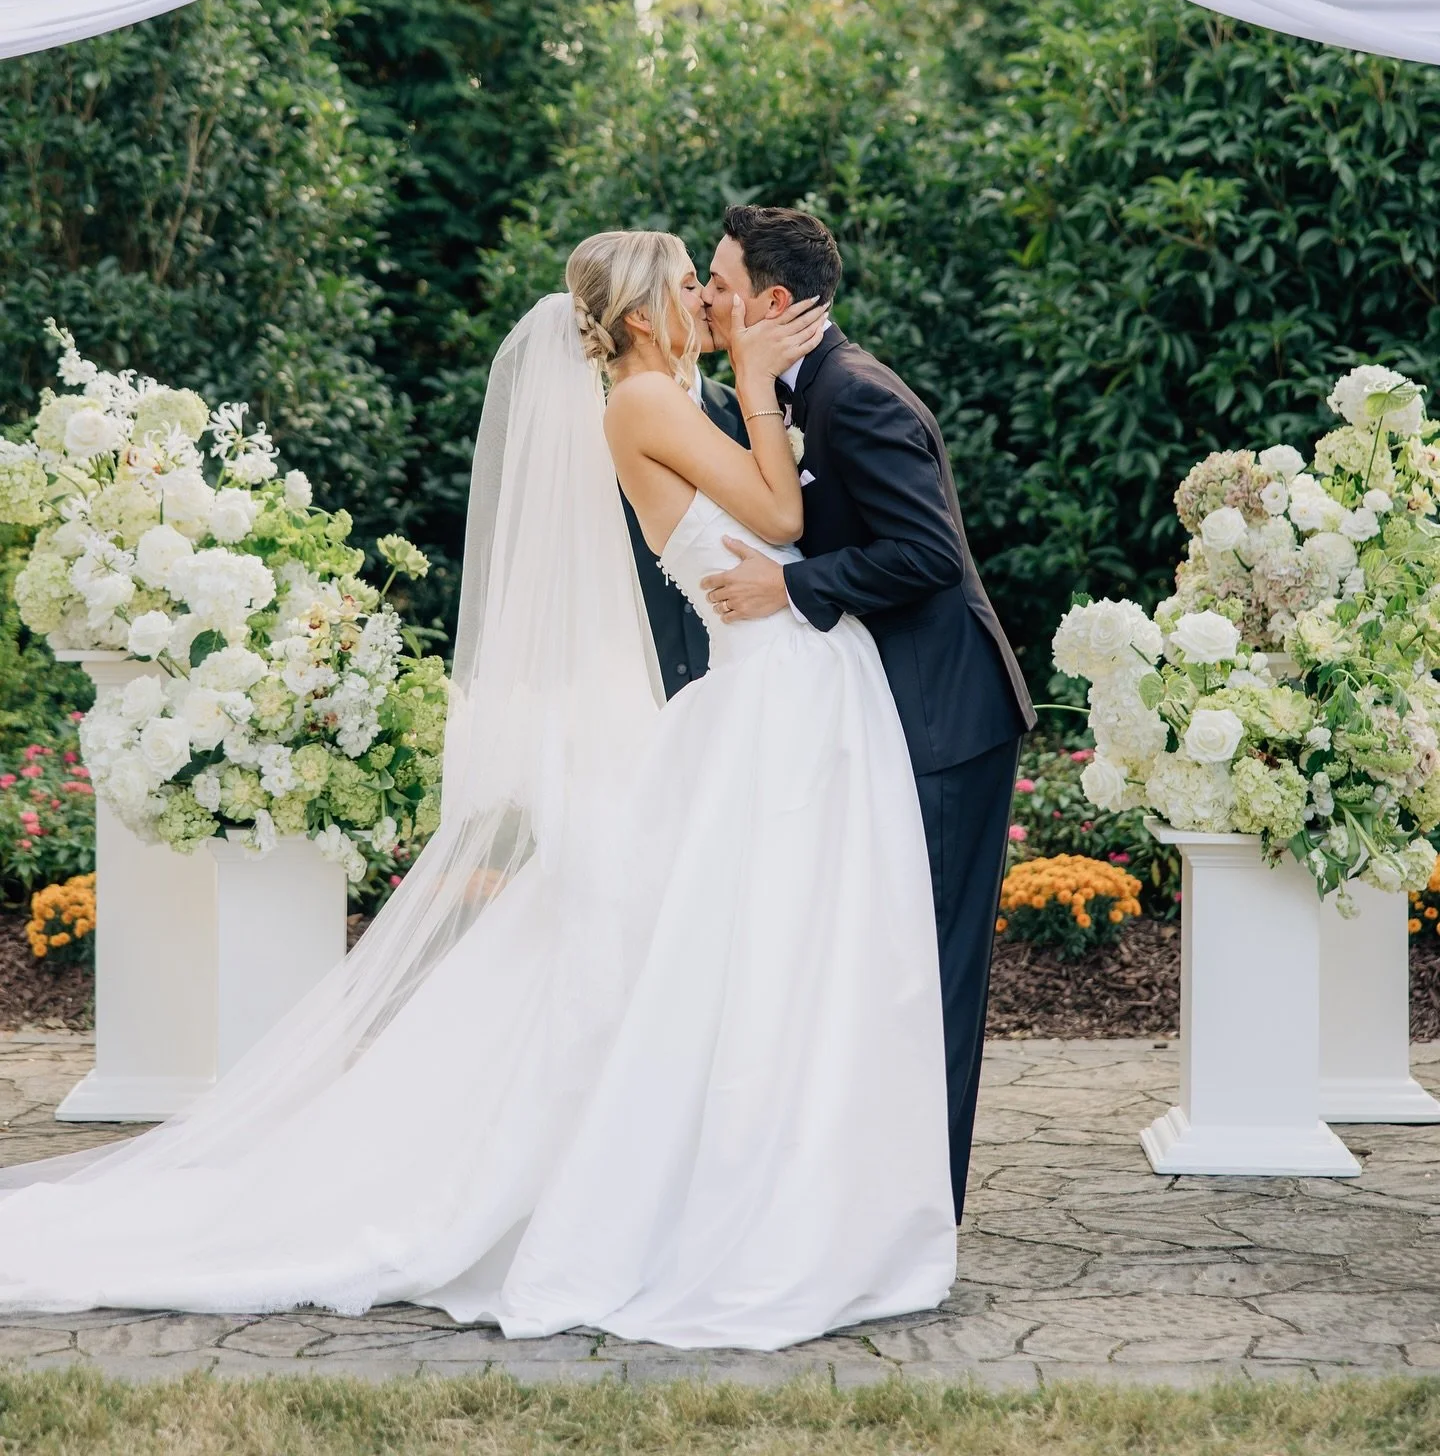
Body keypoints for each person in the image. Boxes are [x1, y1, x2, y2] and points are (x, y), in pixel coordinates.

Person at [0, 230, 956, 1352]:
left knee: (776, 957)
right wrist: (755, 384)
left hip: (790, 688)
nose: (704, 295)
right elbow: (785, 523)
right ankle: (720, 1203)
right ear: (643, 317)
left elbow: (787, 524)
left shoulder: (663, 395)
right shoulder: (646, 405)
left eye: (716, 279)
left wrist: (754, 397)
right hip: (770, 689)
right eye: (686, 282)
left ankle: (796, 1189)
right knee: (724, 956)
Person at [700, 205, 1035, 1223]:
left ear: (769, 300)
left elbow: (929, 554)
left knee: (930, 967)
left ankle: (921, 1213)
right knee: (880, 957)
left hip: (947, 719)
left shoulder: (855, 396)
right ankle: (873, 1198)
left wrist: (790, 590)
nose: (705, 299)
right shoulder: (782, 395)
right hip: (887, 712)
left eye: (717, 282)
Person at [619, 322, 744, 699]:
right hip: (640, 678)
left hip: (741, 674)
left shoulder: (749, 412)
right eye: (689, 286)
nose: (706, 298)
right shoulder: (600, 427)